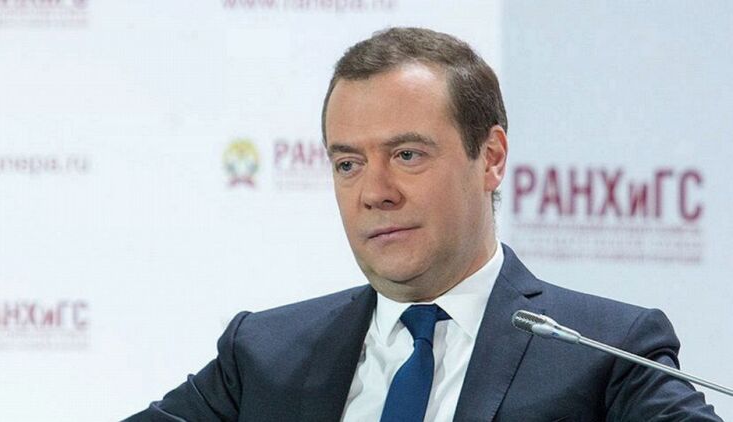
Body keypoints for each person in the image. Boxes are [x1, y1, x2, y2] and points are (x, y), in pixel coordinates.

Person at [126, 27, 722, 421]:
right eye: (348, 164)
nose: (375, 193)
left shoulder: (605, 352)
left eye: (407, 155)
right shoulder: (263, 353)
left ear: (491, 157)